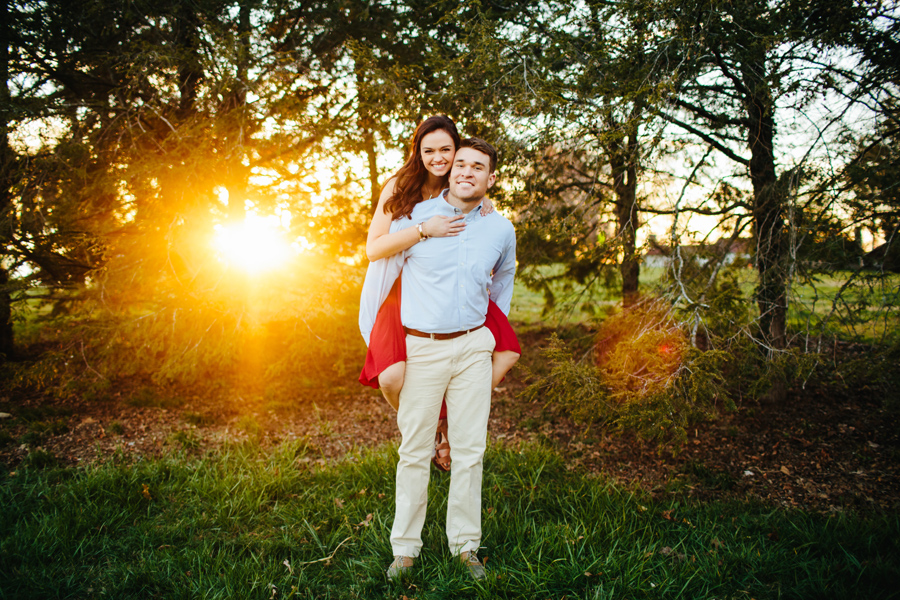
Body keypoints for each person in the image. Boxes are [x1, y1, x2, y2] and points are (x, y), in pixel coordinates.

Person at [361, 138, 515, 581]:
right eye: (460, 164)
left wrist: (488, 330)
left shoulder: (500, 228)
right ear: (450, 172)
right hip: (421, 346)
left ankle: (465, 547)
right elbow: (381, 266)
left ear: (490, 177)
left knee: (470, 450)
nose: (466, 171)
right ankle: (405, 550)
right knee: (413, 451)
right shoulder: (416, 218)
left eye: (477, 166)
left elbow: (503, 280)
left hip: (472, 348)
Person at [359, 116, 520, 471]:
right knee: (391, 377)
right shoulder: (399, 186)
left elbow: (474, 194)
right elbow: (373, 249)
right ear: (417, 151)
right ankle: (427, 425)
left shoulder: (463, 183)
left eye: (446, 149)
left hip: (454, 292)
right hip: (402, 289)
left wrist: (486, 202)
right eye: (428, 150)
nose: (438, 157)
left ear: (456, 149)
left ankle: (449, 426)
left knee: (505, 349)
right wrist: (423, 229)